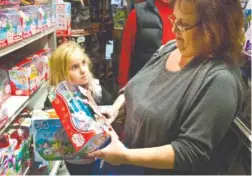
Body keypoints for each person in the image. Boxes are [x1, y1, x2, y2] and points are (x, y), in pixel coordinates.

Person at [89, 0, 246, 174]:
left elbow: (189, 151)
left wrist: (125, 156)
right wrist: (116, 107)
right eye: (175, 20)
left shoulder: (220, 80)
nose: (173, 30)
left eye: (183, 24)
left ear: (214, 29)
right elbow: (138, 85)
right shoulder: (170, 48)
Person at [46, 41, 113, 175]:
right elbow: (48, 124)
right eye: (74, 67)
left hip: (102, 151)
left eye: (84, 63)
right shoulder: (56, 99)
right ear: (61, 73)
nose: (83, 70)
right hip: (77, 158)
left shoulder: (96, 88)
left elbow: (110, 109)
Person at [118, 0, 175, 89]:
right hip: (144, 86)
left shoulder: (189, 14)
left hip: (177, 85)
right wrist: (123, 86)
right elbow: (126, 52)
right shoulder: (138, 13)